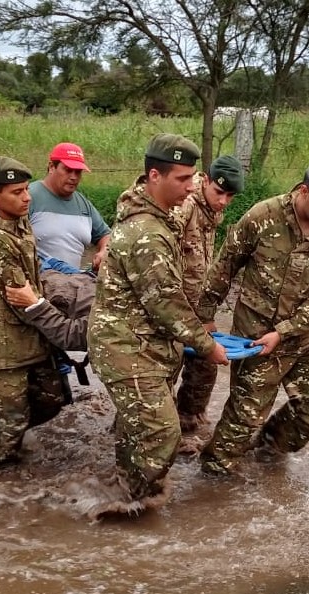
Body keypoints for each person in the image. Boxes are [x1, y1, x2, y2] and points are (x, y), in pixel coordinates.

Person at [87, 133, 229, 510]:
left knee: (137, 427)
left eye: (193, 177)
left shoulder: (159, 217)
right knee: (163, 431)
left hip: (147, 343)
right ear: (154, 176)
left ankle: (124, 487)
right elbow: (166, 303)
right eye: (182, 179)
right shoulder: (146, 232)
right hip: (125, 345)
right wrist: (207, 346)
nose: (191, 186)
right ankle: (133, 506)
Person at [196, 157, 309, 476]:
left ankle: (268, 451)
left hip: (302, 336)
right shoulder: (263, 216)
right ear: (304, 191)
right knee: (243, 420)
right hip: (255, 336)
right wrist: (204, 316)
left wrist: (284, 332)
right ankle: (211, 477)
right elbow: (225, 266)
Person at [0, 156, 68, 469]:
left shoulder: (17, 222)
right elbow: (19, 296)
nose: (27, 198)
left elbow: (33, 277)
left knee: (52, 400)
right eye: (17, 192)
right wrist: (62, 326)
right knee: (13, 423)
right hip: (6, 342)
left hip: (32, 332)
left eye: (26, 190)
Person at [173, 155, 246, 433]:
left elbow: (200, 266)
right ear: (204, 180)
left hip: (194, 307)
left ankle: (188, 422)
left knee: (206, 367)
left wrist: (205, 314)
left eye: (230, 196)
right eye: (219, 192)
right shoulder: (185, 207)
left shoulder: (212, 211)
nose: (224, 201)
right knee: (164, 372)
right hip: (170, 308)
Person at [28, 142, 111, 271]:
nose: (73, 177)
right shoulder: (29, 197)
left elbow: (105, 235)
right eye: (67, 170)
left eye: (78, 172)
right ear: (51, 167)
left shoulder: (83, 203)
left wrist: (104, 251)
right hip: (38, 283)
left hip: (71, 285)